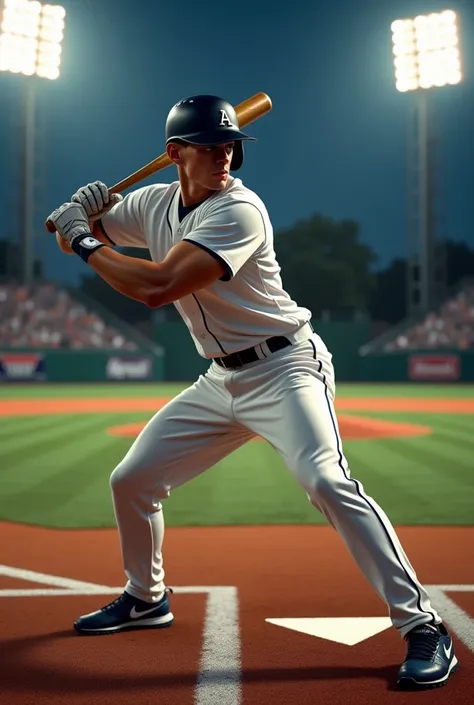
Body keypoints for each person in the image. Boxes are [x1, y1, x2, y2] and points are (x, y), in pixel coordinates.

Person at [47, 94, 458, 690]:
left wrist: (82, 239)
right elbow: (82, 237)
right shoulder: (149, 203)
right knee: (131, 481)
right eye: (210, 147)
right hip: (219, 379)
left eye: (230, 145)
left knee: (326, 481)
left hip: (286, 369)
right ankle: (146, 597)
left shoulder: (240, 210)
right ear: (174, 154)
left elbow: (155, 286)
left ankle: (423, 625)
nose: (225, 156)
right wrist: (79, 219)